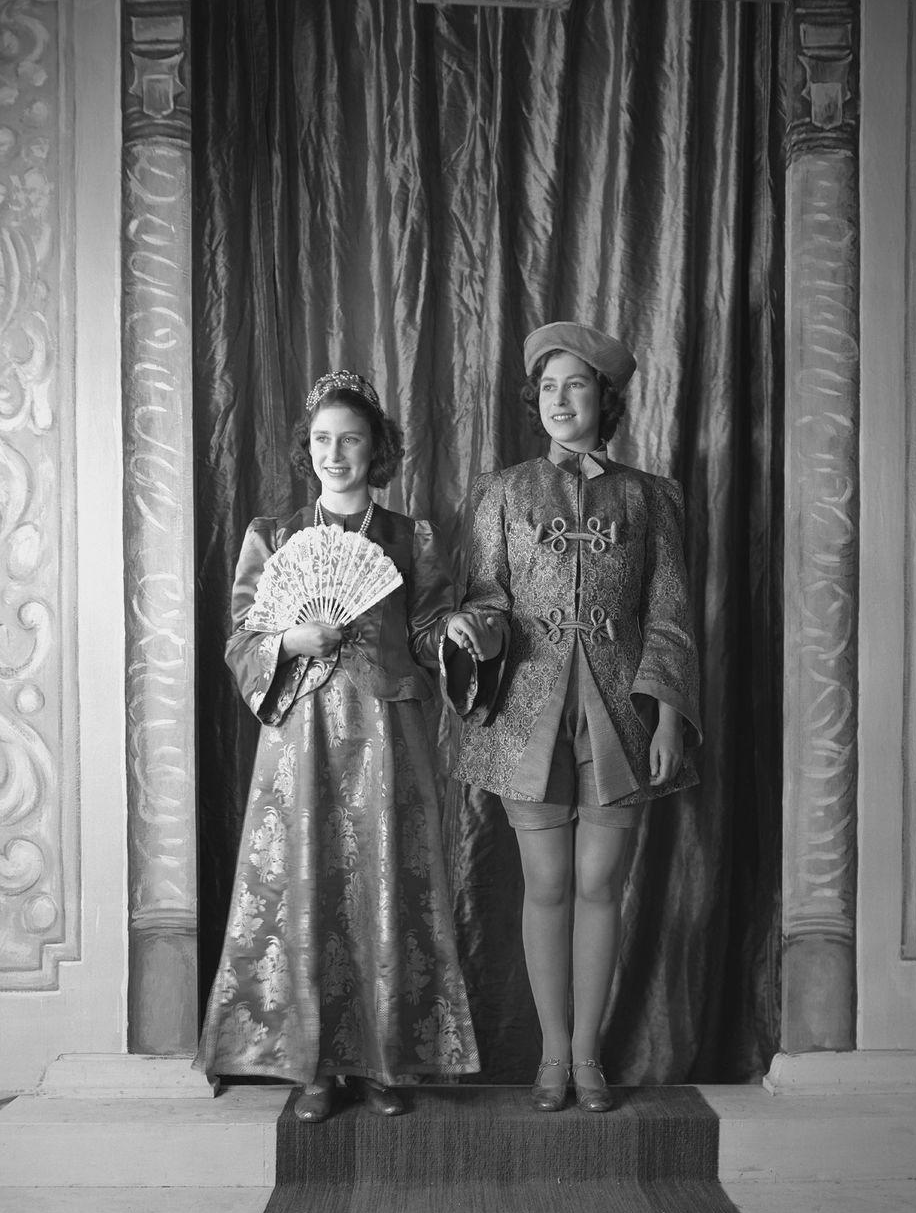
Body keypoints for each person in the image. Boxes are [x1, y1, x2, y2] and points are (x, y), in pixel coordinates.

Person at [195, 371, 480, 1121]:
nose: (334, 453)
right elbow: (241, 639)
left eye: (350, 438)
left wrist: (447, 631)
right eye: (322, 439)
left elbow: (423, 630)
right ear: (307, 449)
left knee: (387, 886)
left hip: (388, 737)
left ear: (376, 448)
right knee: (307, 886)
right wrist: (291, 636)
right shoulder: (274, 536)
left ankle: (389, 1062)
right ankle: (312, 1067)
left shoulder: (412, 536)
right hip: (300, 741)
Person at [445, 322, 701, 1114]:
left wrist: (667, 717)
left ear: (606, 398)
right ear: (536, 399)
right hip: (526, 712)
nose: (562, 400)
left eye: (577, 385)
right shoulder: (501, 491)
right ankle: (552, 1055)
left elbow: (670, 617)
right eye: (549, 387)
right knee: (548, 880)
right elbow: (484, 592)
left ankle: (590, 1054)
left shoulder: (650, 497)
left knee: (600, 880)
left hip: (619, 715)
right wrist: (473, 626)